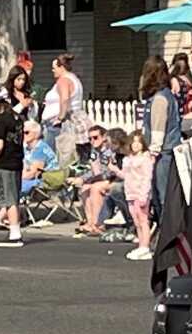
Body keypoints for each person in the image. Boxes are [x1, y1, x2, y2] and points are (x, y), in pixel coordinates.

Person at [138, 55, 181, 212]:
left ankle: (166, 224)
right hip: (168, 151)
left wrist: (152, 152)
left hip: (162, 154)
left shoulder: (160, 99)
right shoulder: (166, 94)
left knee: (162, 196)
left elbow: (158, 128)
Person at [0, 95, 25, 247]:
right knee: (13, 197)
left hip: (5, 163)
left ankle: (15, 234)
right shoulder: (17, 120)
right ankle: (14, 231)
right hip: (17, 162)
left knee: (9, 200)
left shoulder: (1, 121)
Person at [42, 52, 87, 166]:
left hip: (57, 125)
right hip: (73, 118)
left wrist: (60, 118)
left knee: (52, 156)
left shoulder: (64, 80)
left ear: (61, 67)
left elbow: (65, 98)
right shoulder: (74, 78)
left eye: (54, 68)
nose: (52, 70)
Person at [77, 126, 122, 235]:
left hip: (115, 178)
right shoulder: (94, 151)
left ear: (103, 137)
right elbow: (95, 171)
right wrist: (82, 178)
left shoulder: (109, 151)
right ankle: (90, 222)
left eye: (95, 137)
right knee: (84, 188)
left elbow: (108, 172)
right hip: (104, 178)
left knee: (95, 188)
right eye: (90, 139)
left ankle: (98, 223)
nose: (92, 141)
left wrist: (86, 178)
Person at [122, 131, 156, 261]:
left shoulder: (145, 159)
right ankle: (141, 245)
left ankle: (145, 246)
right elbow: (125, 175)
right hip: (130, 193)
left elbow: (147, 178)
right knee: (136, 222)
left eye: (138, 142)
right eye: (133, 142)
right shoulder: (128, 160)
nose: (135, 145)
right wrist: (114, 169)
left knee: (143, 220)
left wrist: (144, 195)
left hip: (140, 193)